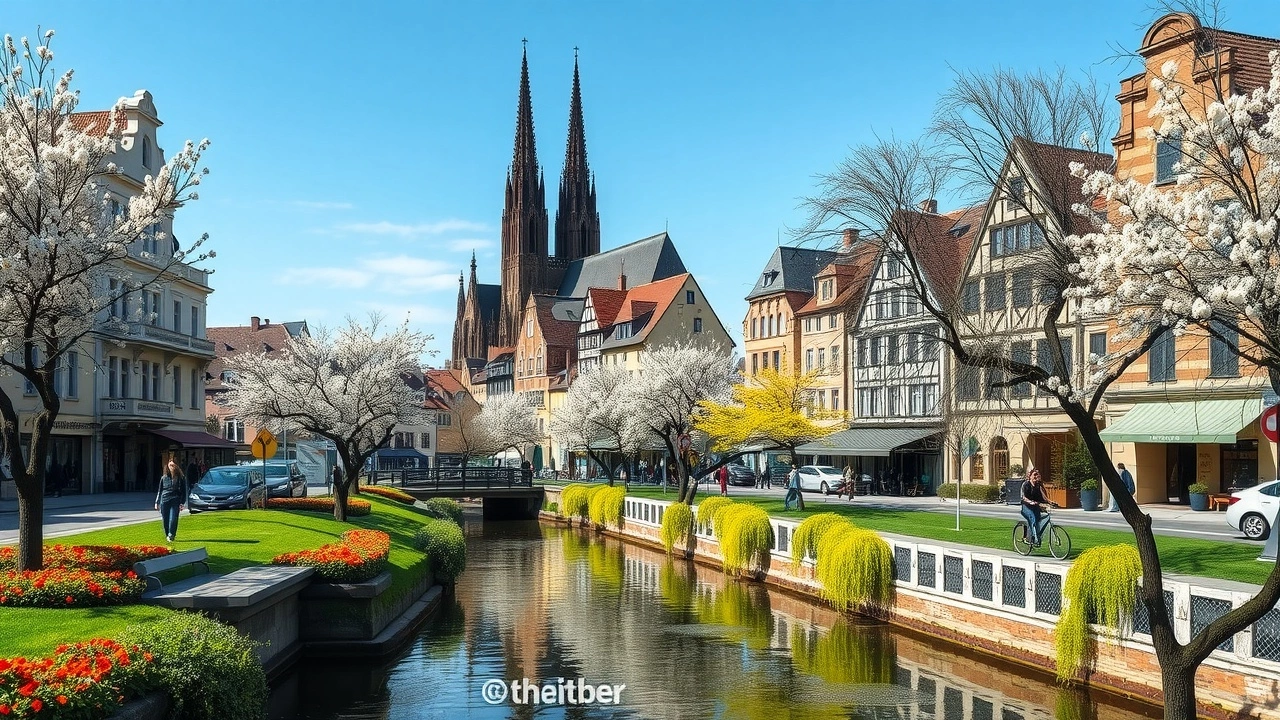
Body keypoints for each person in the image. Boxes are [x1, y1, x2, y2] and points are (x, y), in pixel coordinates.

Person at [154, 459, 187, 544]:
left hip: (175, 500)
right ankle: (167, 535)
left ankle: (171, 534)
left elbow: (184, 491)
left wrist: (182, 503)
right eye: (170, 465)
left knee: (173, 519)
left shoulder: (181, 478)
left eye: (173, 465)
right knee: (165, 519)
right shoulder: (164, 478)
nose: (171, 467)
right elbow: (160, 490)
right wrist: (156, 502)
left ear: (176, 466)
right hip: (165, 500)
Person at [1020, 468, 1049, 546]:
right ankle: (1030, 539)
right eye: (1034, 474)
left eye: (1037, 474)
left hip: (1035, 506)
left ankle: (1035, 537)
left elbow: (1044, 496)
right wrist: (1030, 502)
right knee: (1033, 519)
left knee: (1039, 520)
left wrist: (1050, 502)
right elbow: (1023, 497)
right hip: (1026, 507)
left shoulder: (1038, 485)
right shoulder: (1025, 484)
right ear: (1030, 476)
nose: (1037, 476)